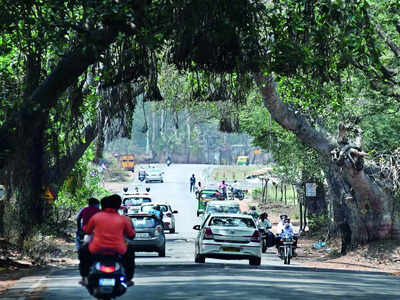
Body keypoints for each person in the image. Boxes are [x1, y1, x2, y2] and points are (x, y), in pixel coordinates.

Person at [78, 195, 136, 286]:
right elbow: (131, 235)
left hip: (97, 249)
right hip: (118, 250)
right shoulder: (124, 219)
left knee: (83, 251)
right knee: (130, 253)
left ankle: (84, 277)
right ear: (118, 206)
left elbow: (86, 230)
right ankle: (128, 278)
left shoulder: (96, 217)